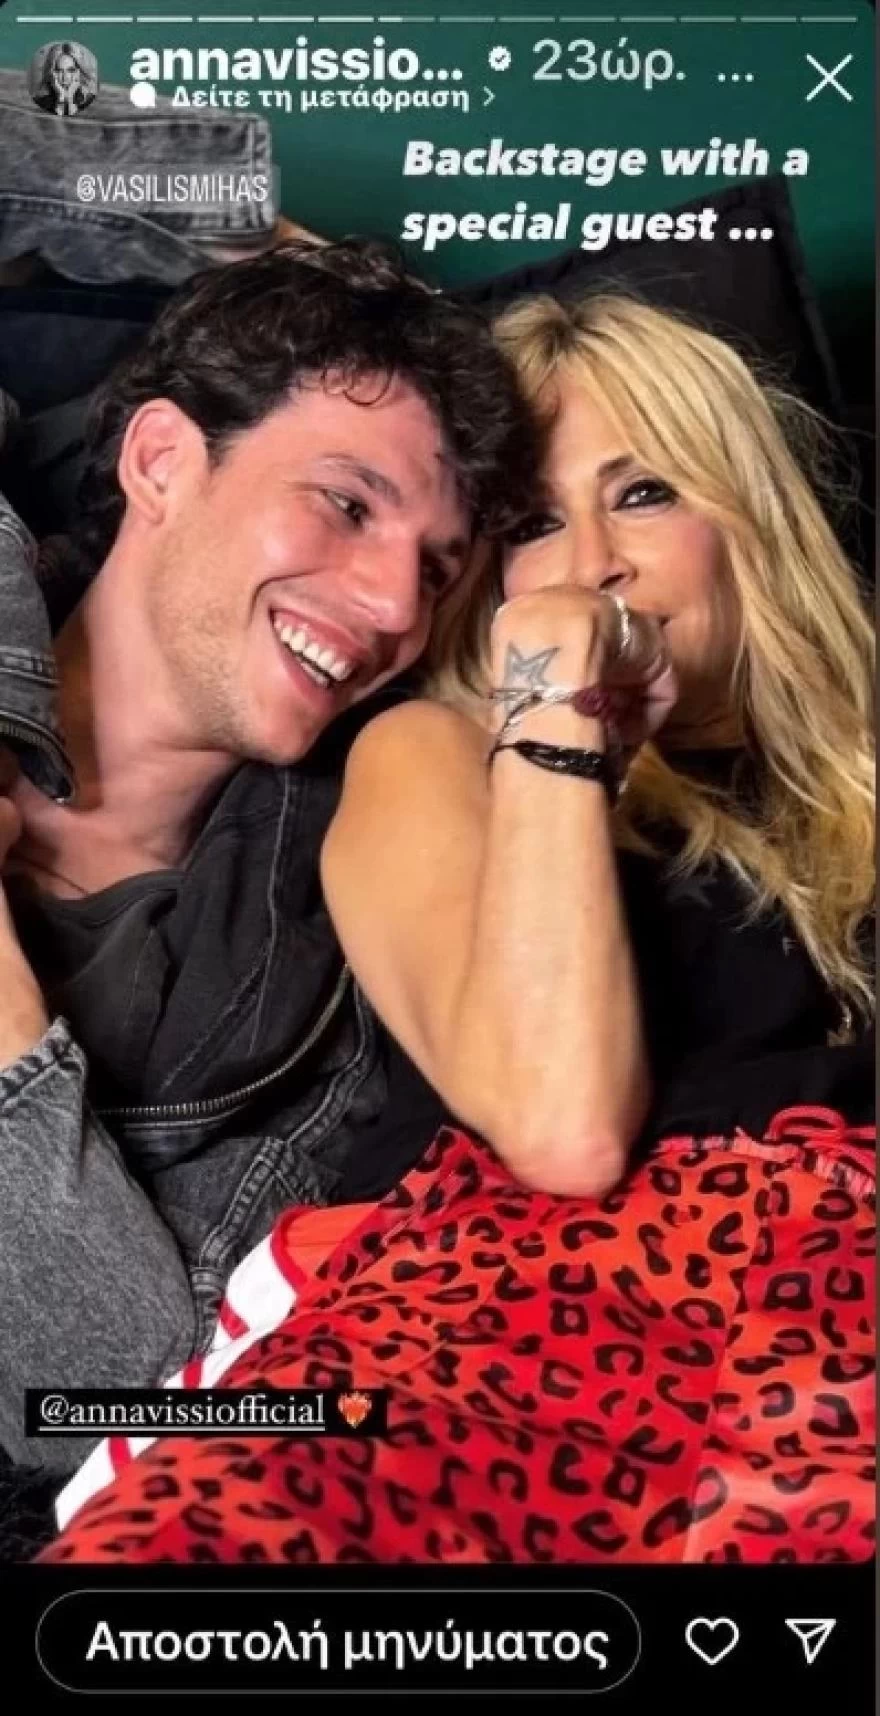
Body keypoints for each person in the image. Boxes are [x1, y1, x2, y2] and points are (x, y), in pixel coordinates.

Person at [42, 291, 875, 1566]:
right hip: (496, 1337)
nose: (591, 562)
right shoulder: (434, 755)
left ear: (745, 517)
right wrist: (554, 701)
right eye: (533, 525)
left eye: (643, 493)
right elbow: (559, 1127)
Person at [0, 237, 539, 1517]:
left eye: (436, 567)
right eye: (347, 505)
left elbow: (124, 1415)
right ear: (160, 461)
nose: (393, 604)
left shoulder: (322, 971)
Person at [31, 44, 96, 118]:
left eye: (70, 70)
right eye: (59, 70)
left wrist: (70, 99)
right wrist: (61, 98)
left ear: (79, 72)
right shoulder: (39, 102)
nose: (65, 77)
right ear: (51, 72)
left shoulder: (90, 101)